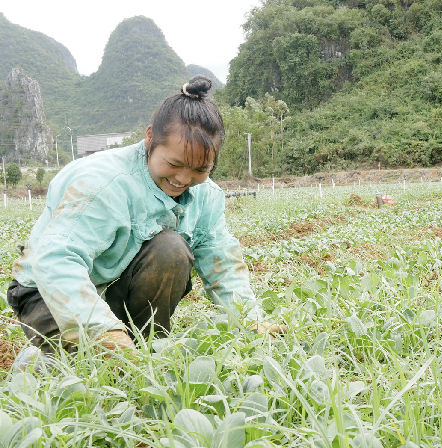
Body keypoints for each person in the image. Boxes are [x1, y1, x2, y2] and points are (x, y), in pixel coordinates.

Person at [7, 76, 279, 364]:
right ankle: (39, 362)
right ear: (150, 137)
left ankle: (145, 349)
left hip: (112, 286)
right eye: (173, 164)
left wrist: (249, 321)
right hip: (47, 292)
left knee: (170, 250)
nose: (184, 179)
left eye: (200, 169)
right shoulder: (104, 182)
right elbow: (55, 260)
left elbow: (220, 260)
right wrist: (104, 333)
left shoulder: (206, 195)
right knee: (97, 367)